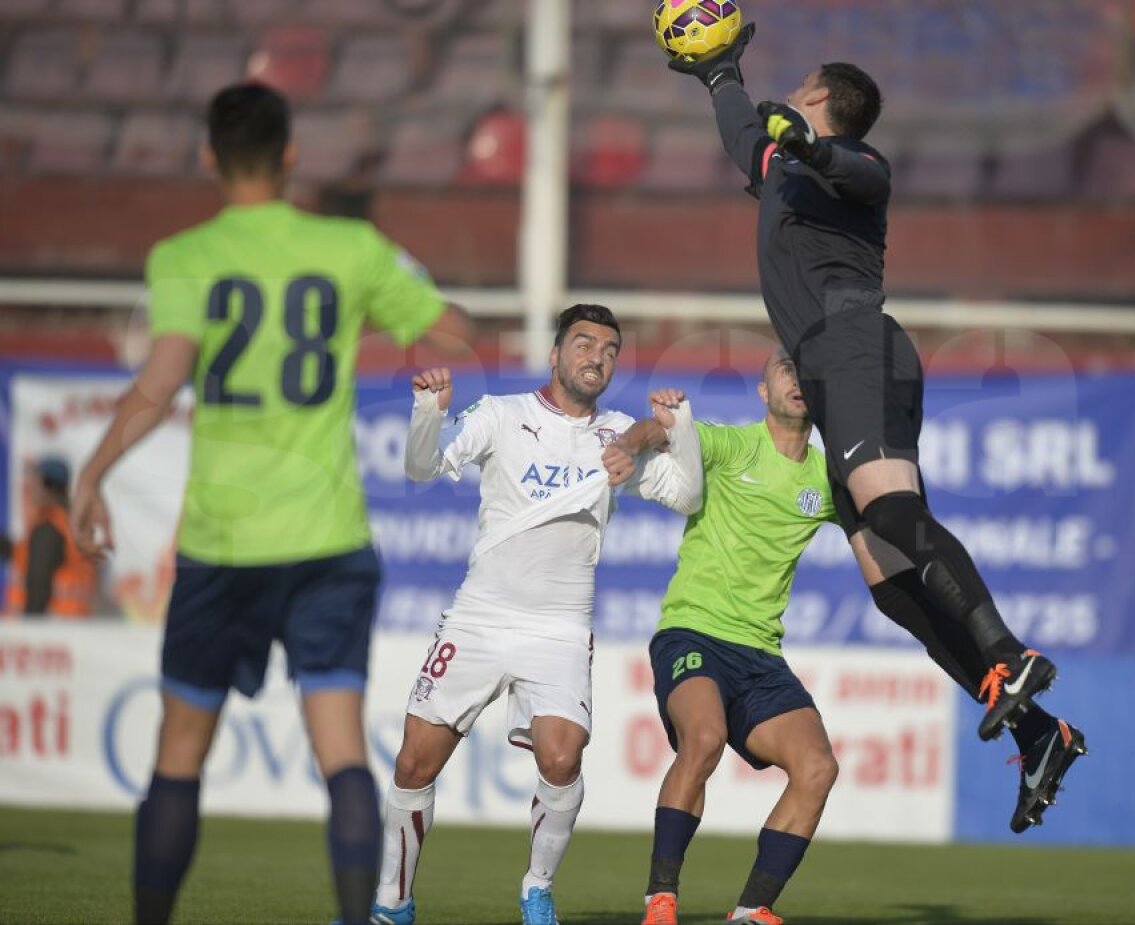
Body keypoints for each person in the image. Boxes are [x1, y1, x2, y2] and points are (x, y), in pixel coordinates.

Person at [69, 81, 471, 925]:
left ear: (209, 156)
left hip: (224, 541)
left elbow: (164, 376)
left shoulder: (184, 255)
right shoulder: (350, 248)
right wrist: (407, 281)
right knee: (339, 752)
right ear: (291, 154)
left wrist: (94, 470)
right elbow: (450, 330)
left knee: (179, 755)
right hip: (327, 539)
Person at [668, 34, 1085, 833]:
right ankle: (1040, 732)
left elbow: (853, 168)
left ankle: (1010, 656)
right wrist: (719, 74)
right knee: (890, 583)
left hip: (857, 344)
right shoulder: (784, 168)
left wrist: (808, 141)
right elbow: (745, 142)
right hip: (834, 371)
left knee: (891, 516)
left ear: (825, 100)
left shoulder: (857, 168)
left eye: (803, 89)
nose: (791, 94)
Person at [372, 304, 703, 925]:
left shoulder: (617, 435)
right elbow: (421, 467)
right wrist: (428, 412)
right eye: (583, 344)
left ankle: (537, 887)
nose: (595, 357)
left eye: (609, 349)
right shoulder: (502, 414)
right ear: (554, 355)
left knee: (562, 757)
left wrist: (673, 425)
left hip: (560, 625)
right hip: (480, 616)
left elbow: (687, 494)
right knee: (415, 761)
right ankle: (393, 903)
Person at [608, 351, 838, 925]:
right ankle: (660, 899)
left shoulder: (826, 480)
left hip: (761, 652)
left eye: (807, 372)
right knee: (704, 738)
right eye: (787, 370)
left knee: (817, 769)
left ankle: (751, 909)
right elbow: (661, 426)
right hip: (694, 631)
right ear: (763, 391)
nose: (798, 380)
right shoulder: (735, 446)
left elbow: (886, 519)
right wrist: (630, 445)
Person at [3, 457, 96, 617]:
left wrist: (30, 629)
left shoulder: (48, 530)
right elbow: (22, 554)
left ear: (46, 485)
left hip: (50, 631)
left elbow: (39, 583)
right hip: (73, 630)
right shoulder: (72, 525)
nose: (29, 487)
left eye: (34, 481)